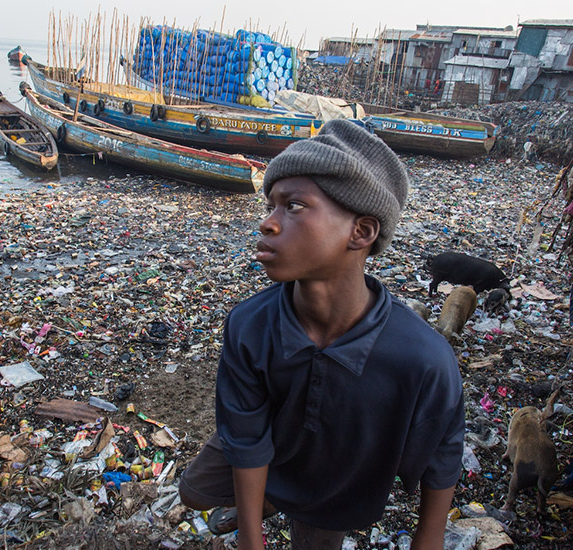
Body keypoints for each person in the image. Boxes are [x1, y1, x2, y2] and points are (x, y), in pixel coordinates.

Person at [177, 120, 464, 550]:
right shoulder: (250, 326)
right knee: (194, 491)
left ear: (361, 232)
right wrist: (250, 539)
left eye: (293, 207)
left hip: (342, 469)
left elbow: (443, 452)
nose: (267, 224)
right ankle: (275, 495)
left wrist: (429, 536)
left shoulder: (422, 357)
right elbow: (246, 436)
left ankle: (291, 499)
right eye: (271, 205)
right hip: (277, 435)